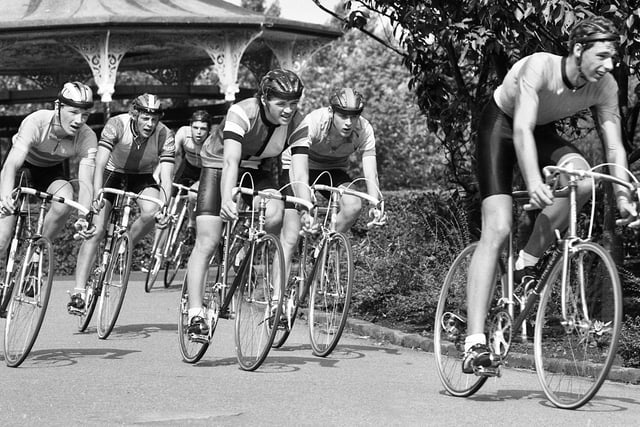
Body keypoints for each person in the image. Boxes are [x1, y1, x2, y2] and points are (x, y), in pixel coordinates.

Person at [462, 16, 637, 373]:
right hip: (502, 127)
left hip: (540, 131)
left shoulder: (604, 86)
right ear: (578, 49)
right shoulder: (538, 67)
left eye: (613, 58)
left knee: (584, 180)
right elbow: (521, 128)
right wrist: (534, 181)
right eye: (602, 56)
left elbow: (615, 149)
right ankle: (473, 342)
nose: (609, 65)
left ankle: (525, 263)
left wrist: (623, 198)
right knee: (497, 228)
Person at [185, 68, 312, 337]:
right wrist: (228, 197)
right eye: (281, 104)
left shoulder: (298, 122)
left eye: (293, 103)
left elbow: (299, 173)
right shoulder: (242, 112)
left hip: (257, 169)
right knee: (208, 239)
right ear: (265, 99)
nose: (288, 110)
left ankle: (247, 246)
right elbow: (231, 160)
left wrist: (305, 205)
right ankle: (195, 313)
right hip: (219, 164)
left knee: (276, 214)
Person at [67, 93, 175, 314]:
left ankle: (126, 244)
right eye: (145, 118)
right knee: (96, 231)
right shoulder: (116, 124)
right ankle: (78, 292)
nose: (150, 124)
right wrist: (98, 195)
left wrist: (164, 209)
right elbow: (99, 163)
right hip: (112, 173)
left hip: (141, 176)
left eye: (154, 119)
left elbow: (167, 178)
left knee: (152, 210)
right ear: (134, 114)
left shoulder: (165, 135)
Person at [0, 82, 97, 305]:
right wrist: (5, 196)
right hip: (21, 167)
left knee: (66, 199)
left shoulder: (87, 136)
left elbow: (86, 182)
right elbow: (11, 165)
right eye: (73, 112)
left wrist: (84, 216)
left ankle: (36, 252)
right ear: (58, 107)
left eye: (85, 114)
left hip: (50, 171)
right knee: (2, 239)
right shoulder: (37, 121)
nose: (78, 120)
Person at [279, 87, 385, 277]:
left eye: (353, 116)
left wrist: (375, 203)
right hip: (298, 166)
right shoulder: (314, 122)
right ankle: (278, 296)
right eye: (343, 116)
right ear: (331, 112)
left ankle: (324, 244)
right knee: (293, 231)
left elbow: (371, 173)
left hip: (334, 169)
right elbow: (301, 173)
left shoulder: (364, 129)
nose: (348, 122)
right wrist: (305, 206)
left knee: (353, 205)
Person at [166, 109, 213, 242]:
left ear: (209, 130)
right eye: (195, 127)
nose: (198, 132)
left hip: (204, 170)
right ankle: (167, 235)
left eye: (203, 129)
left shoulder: (212, 141)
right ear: (190, 126)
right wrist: (161, 172)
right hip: (187, 167)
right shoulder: (183, 132)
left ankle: (191, 225)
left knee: (193, 195)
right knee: (171, 201)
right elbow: (171, 154)